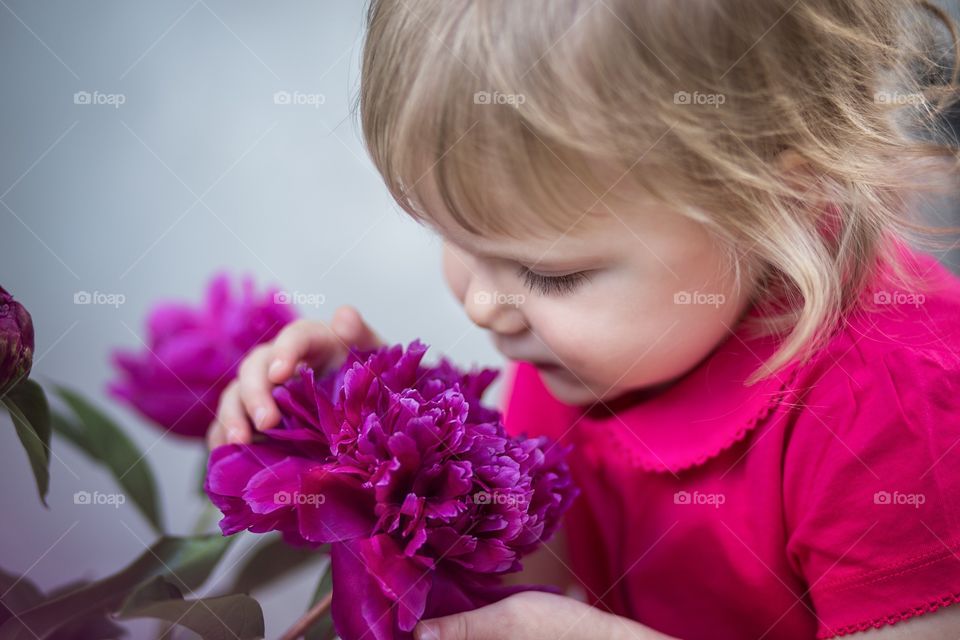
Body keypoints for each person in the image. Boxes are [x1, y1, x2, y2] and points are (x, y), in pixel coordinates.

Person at [207, 1, 960, 637]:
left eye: (548, 272)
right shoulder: (580, 355)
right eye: (456, 240)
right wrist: (360, 446)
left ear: (776, 207)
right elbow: (539, 559)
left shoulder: (896, 413)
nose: (481, 305)